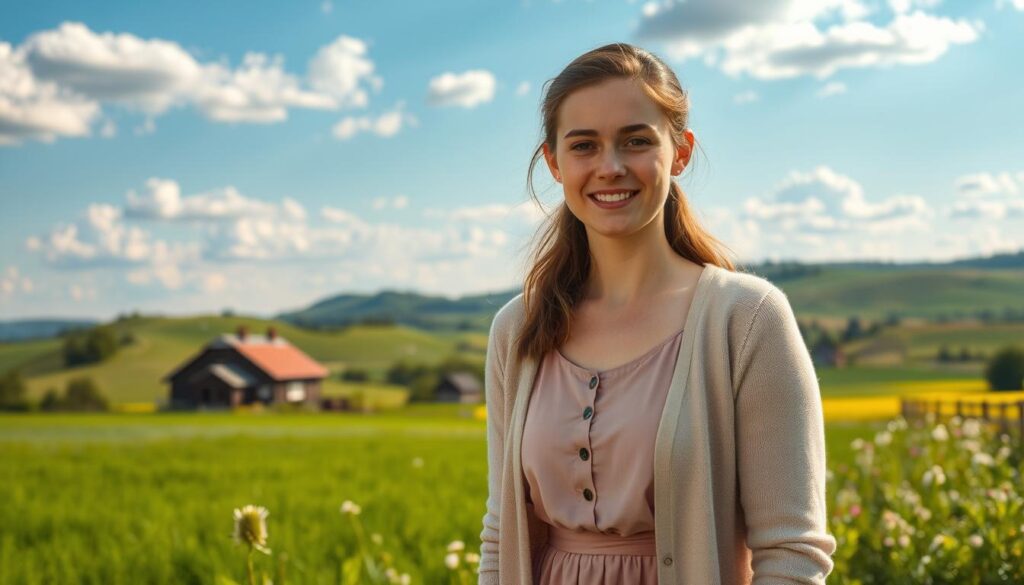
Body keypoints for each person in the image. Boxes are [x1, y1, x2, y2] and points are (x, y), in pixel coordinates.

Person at [477, 43, 836, 585]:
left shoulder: (747, 320)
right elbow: (501, 535)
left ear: (681, 152)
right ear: (554, 162)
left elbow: (792, 554)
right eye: (584, 146)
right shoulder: (518, 329)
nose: (611, 167)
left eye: (636, 141)